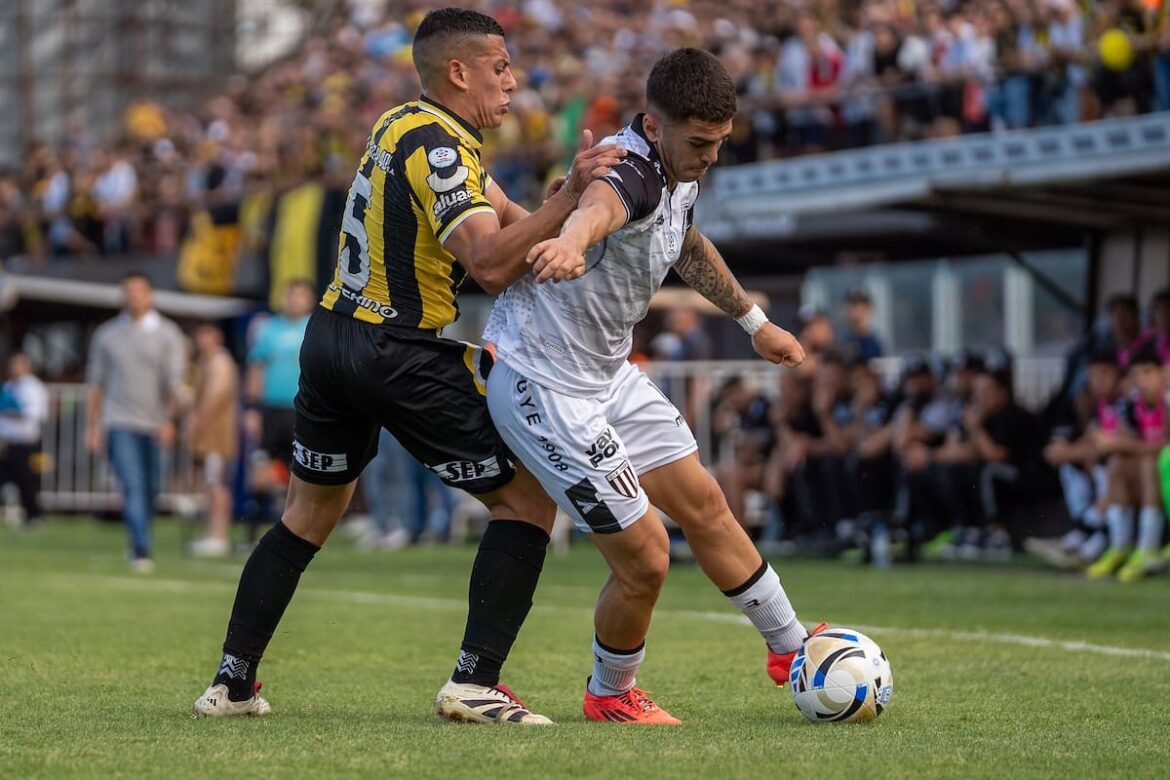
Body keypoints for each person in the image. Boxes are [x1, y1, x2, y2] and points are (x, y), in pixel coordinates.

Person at [192, 7, 623, 723]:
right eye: (500, 68)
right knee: (525, 502)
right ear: (458, 71)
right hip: (394, 348)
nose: (514, 84)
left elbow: (512, 225)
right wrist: (572, 201)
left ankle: (232, 684)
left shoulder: (404, 125)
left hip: (331, 338)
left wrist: (571, 217)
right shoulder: (444, 149)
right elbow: (489, 261)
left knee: (306, 515)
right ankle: (475, 683)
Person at [485, 48, 819, 725]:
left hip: (605, 374)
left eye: (721, 143)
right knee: (647, 557)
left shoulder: (680, 168)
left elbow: (685, 243)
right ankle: (609, 694)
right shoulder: (629, 169)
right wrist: (572, 238)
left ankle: (792, 649)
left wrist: (755, 322)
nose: (711, 157)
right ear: (653, 125)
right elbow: (601, 209)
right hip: (542, 380)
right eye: (700, 144)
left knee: (704, 501)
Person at [86, 273, 186, 572]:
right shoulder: (106, 335)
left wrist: (169, 420)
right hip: (119, 421)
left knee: (152, 488)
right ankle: (141, 547)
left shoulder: (168, 334)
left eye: (139, 291)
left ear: (150, 295)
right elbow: (96, 384)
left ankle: (142, 536)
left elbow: (175, 383)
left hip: (155, 423)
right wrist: (92, 426)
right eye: (128, 291)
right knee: (132, 484)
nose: (134, 297)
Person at [1086, 344, 1168, 582]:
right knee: (1118, 463)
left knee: (1149, 461)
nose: (1142, 380)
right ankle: (1120, 546)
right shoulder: (1132, 407)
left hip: (1163, 473)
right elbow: (1125, 441)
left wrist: (1120, 444)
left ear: (1163, 373)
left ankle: (1148, 547)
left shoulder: (1168, 402)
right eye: (1136, 375)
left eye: (1148, 372)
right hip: (1153, 479)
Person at [186, 324, 241, 558]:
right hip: (210, 434)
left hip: (217, 433)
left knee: (216, 482)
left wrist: (199, 420)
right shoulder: (204, 362)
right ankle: (213, 533)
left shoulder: (220, 362)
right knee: (211, 482)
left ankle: (218, 535)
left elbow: (216, 395)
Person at [0, 353, 49, 526]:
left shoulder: (34, 387)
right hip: (7, 440)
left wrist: (15, 413)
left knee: (26, 480)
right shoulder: (8, 386)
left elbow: (37, 414)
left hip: (26, 440)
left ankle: (34, 515)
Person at [842, 287, 884, 362]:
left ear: (868, 309)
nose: (855, 311)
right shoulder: (843, 341)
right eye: (852, 306)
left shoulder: (875, 343)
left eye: (859, 306)